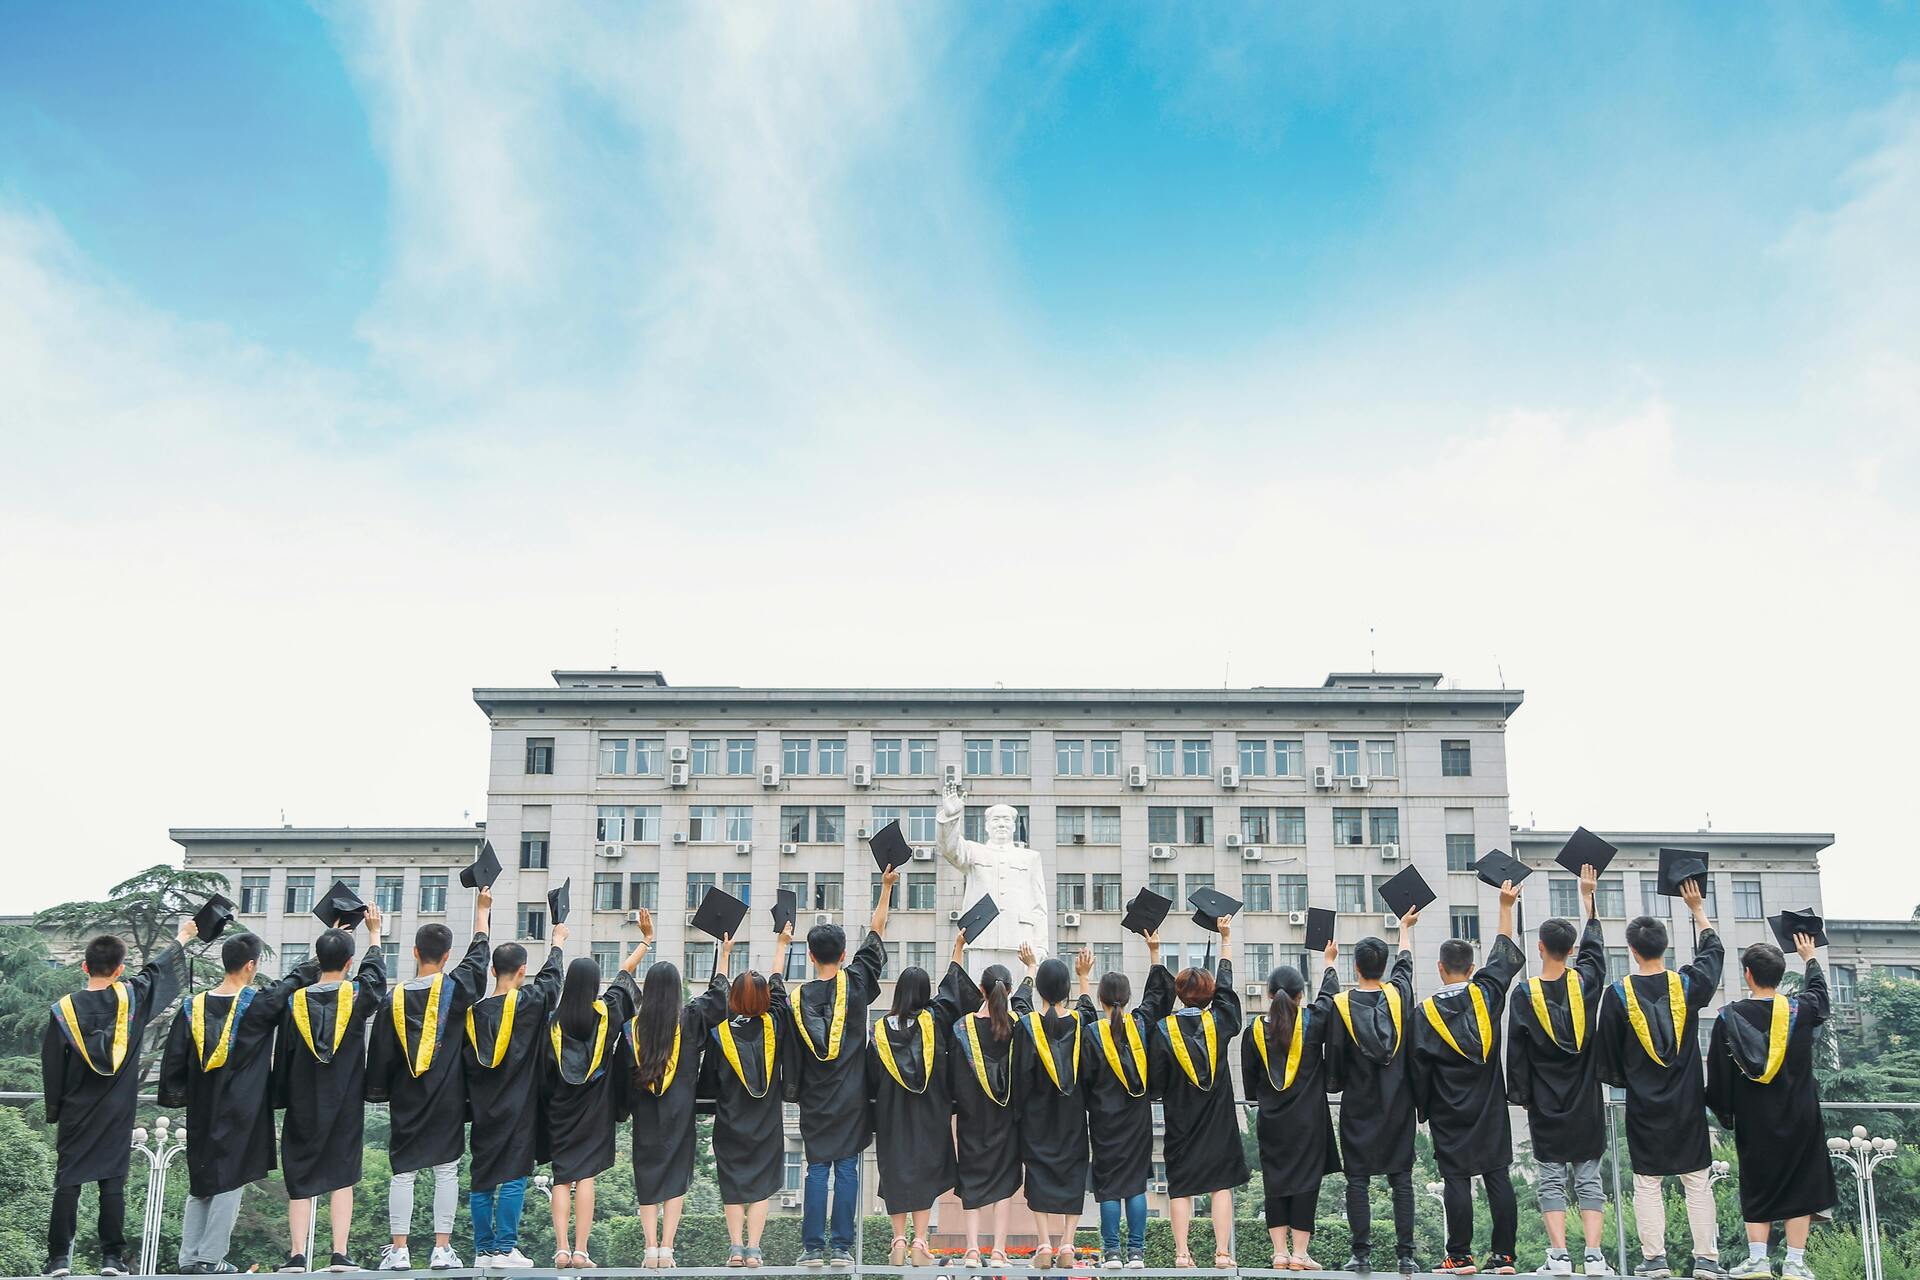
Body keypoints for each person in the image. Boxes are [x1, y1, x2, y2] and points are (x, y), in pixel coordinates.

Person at [43, 918, 196, 1278]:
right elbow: (156, 972)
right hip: (115, 1109)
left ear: (85, 967)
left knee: (69, 1181)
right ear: (120, 969)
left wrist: (55, 1109)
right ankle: (112, 1259)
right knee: (112, 1182)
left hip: (76, 1109)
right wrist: (184, 936)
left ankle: (59, 1259)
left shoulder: (63, 1010)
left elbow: (52, 1065)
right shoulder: (132, 998)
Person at [159, 933, 320, 1275]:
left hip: (202, 1107)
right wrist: (319, 957)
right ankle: (210, 1258)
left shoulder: (192, 1008)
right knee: (231, 1179)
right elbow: (288, 986)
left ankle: (189, 1258)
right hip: (242, 1108)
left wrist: (182, 1094)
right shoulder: (256, 1006)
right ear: (250, 965)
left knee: (202, 1179)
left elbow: (173, 1061)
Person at [1597, 880, 1726, 1280]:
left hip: (1644, 1103)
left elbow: (1608, 1056)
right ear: (1665, 947)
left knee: (1647, 1182)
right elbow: (1713, 955)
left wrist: (1633, 1080)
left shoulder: (1618, 995)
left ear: (1632, 951)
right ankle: (1706, 1259)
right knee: (1697, 1180)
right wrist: (1697, 909)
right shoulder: (1686, 986)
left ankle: (1655, 1260)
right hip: (1687, 1100)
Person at [365, 889, 493, 1272]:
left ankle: (399, 1250)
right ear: (446, 956)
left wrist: (381, 1089)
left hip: (407, 1096)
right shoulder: (455, 990)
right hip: (447, 1095)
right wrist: (482, 912)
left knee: (403, 1173)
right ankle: (442, 1249)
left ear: (415, 953)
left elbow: (381, 1052)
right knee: (446, 1170)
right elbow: (478, 959)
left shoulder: (393, 999)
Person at [1413, 882, 1526, 1276]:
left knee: (1456, 1179)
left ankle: (1460, 1256)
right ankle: (1505, 1256)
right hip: (1489, 1104)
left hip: (1449, 1110)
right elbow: (1503, 953)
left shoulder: (1424, 1013)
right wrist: (1505, 906)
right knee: (1497, 1175)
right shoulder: (1487, 995)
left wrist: (1424, 1109)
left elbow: (1419, 1070)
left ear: (1440, 968)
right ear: (1473, 969)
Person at [1707, 934, 1835, 1280]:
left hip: (1755, 1118)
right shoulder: (1799, 1011)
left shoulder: (1729, 1018)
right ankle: (1794, 1262)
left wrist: (1726, 1113)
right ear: (1779, 976)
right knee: (1800, 1183)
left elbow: (1718, 1076)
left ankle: (1758, 1260)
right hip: (1801, 1115)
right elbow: (1820, 997)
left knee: (1757, 1182)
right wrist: (1809, 958)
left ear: (1747, 974)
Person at [1508, 866, 1611, 1277]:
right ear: (1570, 951)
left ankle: (1559, 1256)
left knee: (1551, 1178)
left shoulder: (1524, 995)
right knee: (1589, 1178)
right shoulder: (1586, 985)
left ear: (1539, 948)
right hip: (1585, 1098)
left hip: (1546, 1101)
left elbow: (1516, 1054)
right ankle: (1595, 1257)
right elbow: (1596, 953)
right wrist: (1588, 898)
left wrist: (1522, 1095)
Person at [790, 864, 894, 1267]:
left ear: (810, 955)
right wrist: (885, 888)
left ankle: (812, 1249)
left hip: (815, 1100)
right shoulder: (857, 983)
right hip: (852, 1096)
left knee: (817, 1169)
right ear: (845, 955)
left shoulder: (798, 999)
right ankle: (841, 1249)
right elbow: (877, 933)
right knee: (847, 1167)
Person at [276, 909, 388, 1273]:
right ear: (350, 963)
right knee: (343, 1173)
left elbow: (285, 1051)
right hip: (344, 1099)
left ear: (318, 959)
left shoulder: (295, 1001)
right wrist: (374, 935)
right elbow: (374, 978)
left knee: (301, 1174)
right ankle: (339, 1252)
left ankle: (296, 1254)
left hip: (303, 1099)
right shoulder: (355, 996)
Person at [870, 930, 980, 1267]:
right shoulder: (934, 1019)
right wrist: (958, 947)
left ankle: (898, 1240)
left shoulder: (880, 1030)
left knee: (897, 1173)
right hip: (930, 1115)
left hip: (892, 1116)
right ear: (924, 994)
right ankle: (920, 1240)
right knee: (923, 1174)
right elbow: (952, 989)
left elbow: (871, 1078)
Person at [544, 920, 650, 1269]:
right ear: (594, 984)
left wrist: (558, 941)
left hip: (561, 1108)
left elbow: (545, 1069)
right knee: (585, 1176)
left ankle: (561, 1249)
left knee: (562, 1177)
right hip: (594, 1108)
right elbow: (624, 975)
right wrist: (645, 941)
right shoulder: (608, 1011)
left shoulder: (553, 1022)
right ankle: (580, 1251)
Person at [464, 922, 569, 1270]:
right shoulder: (528, 1002)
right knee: (513, 1173)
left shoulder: (474, 1014)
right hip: (519, 1104)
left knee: (482, 1176)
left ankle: (483, 1249)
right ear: (522, 970)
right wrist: (556, 943)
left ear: (493, 971)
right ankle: (505, 1248)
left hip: (483, 1107)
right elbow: (551, 983)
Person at [628, 932, 735, 1267]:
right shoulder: (690, 1018)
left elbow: (622, 1075)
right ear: (677, 990)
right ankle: (667, 1248)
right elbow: (719, 997)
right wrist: (724, 955)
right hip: (680, 1113)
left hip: (645, 1114)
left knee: (647, 1176)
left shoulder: (634, 1028)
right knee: (675, 1177)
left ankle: (649, 1248)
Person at [1326, 906, 1422, 1278]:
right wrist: (1404, 930)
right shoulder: (1398, 996)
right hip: (1398, 1102)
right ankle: (1406, 1257)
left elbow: (1334, 1055)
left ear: (1356, 967)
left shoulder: (1341, 1006)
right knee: (1402, 1179)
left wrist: (1335, 1083)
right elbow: (1406, 968)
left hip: (1359, 1104)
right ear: (1383, 967)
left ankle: (1361, 1254)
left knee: (1358, 1180)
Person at [1152, 918, 1248, 1270]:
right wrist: (1226, 941)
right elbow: (1227, 994)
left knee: (1180, 1186)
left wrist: (1155, 954)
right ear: (1210, 995)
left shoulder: (1163, 1030)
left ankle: (1182, 1253)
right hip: (1218, 1119)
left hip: (1180, 1119)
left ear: (1179, 994)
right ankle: (1222, 1253)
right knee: (1221, 1185)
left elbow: (1157, 1082)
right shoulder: (1219, 1023)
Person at [1243, 941, 1340, 1272]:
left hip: (1272, 1121)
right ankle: (1299, 1254)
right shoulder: (1313, 1021)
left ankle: (1280, 1253)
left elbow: (1250, 1084)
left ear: (1269, 995)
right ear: (1300, 995)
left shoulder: (1254, 1031)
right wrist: (1329, 963)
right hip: (1308, 1122)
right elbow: (1328, 999)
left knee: (1276, 1182)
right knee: (1305, 1183)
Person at [1084, 932, 1171, 1271]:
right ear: (1128, 997)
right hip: (1137, 1118)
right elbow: (1158, 996)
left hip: (1104, 1120)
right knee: (1136, 1184)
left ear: (1101, 998)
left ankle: (1111, 1253)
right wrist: (1154, 953)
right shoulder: (1141, 1025)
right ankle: (1136, 1252)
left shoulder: (1092, 1032)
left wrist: (1083, 978)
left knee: (1108, 1187)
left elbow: (1086, 1079)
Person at [709, 924, 794, 1268]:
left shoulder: (721, 1033)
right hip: (766, 1122)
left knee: (733, 1185)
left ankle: (735, 1248)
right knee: (760, 1185)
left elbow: (717, 992)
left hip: (730, 1121)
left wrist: (725, 955)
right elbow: (778, 988)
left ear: (733, 999)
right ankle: (754, 1250)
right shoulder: (776, 1024)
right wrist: (781, 946)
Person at [1014, 946, 1096, 1270]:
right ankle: (1068, 1244)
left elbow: (1019, 1004)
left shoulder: (1028, 1026)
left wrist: (1030, 969)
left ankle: (1045, 1242)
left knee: (1038, 1172)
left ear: (1041, 990)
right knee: (1073, 1173)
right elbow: (1088, 1008)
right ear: (1066, 989)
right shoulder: (1080, 1023)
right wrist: (1084, 976)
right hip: (1072, 1115)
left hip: (1037, 1117)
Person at [950, 961, 1030, 1270]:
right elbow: (1024, 1072)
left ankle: (972, 1250)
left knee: (972, 1181)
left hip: (973, 1118)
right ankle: (998, 1252)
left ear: (981, 990)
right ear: (1008, 991)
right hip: (1006, 1119)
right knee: (1004, 1184)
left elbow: (957, 1078)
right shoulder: (1018, 1025)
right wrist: (1031, 970)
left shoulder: (963, 1028)